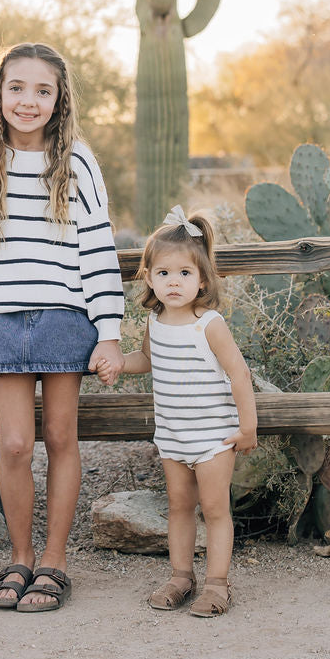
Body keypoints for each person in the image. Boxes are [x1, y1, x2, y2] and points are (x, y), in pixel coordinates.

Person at [0, 41, 124, 612]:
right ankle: (20, 557)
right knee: (16, 444)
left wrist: (110, 332)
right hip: (1, 322)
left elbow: (98, 249)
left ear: (59, 99)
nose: (28, 101)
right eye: (16, 88)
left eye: (42, 91)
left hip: (65, 318)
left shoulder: (76, 163)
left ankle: (54, 560)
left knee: (60, 438)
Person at [102, 206, 257, 617]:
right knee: (178, 507)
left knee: (215, 509)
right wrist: (119, 363)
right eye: (164, 273)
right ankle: (181, 576)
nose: (174, 282)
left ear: (202, 279)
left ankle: (217, 584)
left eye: (185, 273)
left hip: (213, 437)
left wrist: (248, 428)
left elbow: (240, 374)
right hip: (173, 435)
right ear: (149, 278)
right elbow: (147, 359)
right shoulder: (156, 321)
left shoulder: (209, 324)